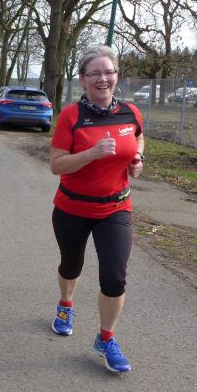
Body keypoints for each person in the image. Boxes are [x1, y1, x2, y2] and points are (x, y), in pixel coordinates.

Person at [49, 45, 144, 373]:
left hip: (115, 209)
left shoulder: (130, 112)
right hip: (72, 208)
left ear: (117, 76)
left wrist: (138, 158)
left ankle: (106, 338)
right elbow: (56, 165)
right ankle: (65, 304)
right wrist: (91, 154)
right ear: (82, 79)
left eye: (109, 72)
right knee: (71, 266)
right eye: (95, 73)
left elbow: (138, 138)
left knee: (115, 277)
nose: (103, 78)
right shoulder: (71, 116)